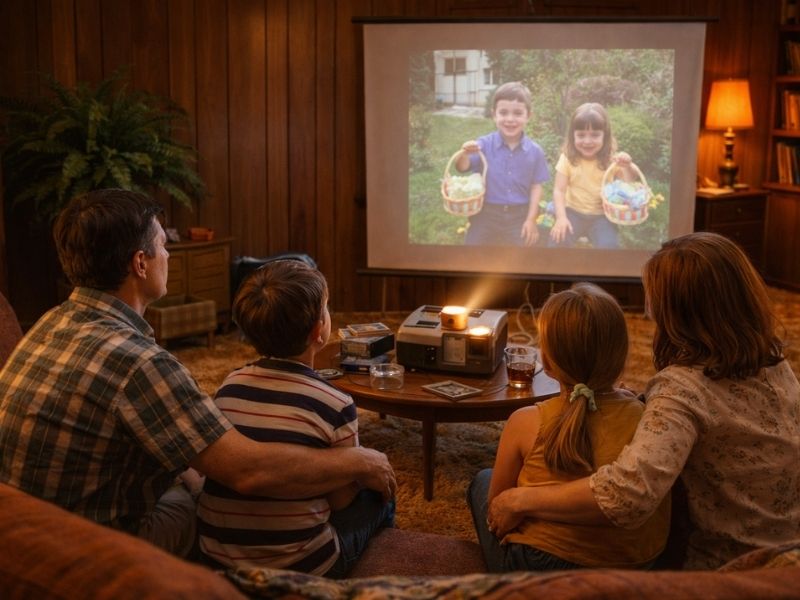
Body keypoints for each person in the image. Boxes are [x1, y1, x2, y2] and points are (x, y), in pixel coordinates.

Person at [0, 189, 396, 559]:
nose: (168, 257)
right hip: (85, 549)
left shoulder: (51, 321)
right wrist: (361, 461)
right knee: (201, 503)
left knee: (188, 475)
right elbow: (248, 471)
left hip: (21, 528)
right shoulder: (139, 363)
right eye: (163, 248)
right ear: (140, 263)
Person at [487, 232, 800, 570]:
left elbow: (626, 496)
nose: (649, 309)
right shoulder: (774, 361)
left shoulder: (681, 389)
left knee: (483, 486)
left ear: (680, 312)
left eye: (654, 299)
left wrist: (520, 500)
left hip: (731, 566)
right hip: (787, 550)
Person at [197, 260, 395, 577]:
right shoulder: (336, 402)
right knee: (382, 500)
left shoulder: (229, 386)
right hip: (300, 566)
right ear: (319, 330)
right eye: (327, 309)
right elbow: (342, 501)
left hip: (217, 554)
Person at [468, 283, 669, 572]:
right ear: (621, 355)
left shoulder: (525, 421)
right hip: (636, 565)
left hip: (542, 565)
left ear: (546, 362)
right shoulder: (648, 418)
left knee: (482, 481)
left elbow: (497, 508)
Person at [455, 81, 549, 247]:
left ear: (529, 116)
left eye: (518, 113)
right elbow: (462, 167)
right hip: (485, 214)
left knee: (523, 257)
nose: (510, 119)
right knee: (471, 251)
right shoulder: (483, 144)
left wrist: (530, 220)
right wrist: (464, 153)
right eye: (503, 113)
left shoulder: (535, 152)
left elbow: (536, 186)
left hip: (519, 214)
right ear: (494, 115)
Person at [548, 102, 634, 249]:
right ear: (572, 136)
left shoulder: (611, 160)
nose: (587, 141)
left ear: (605, 136)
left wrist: (627, 166)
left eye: (595, 135)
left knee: (609, 246)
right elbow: (559, 190)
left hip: (602, 216)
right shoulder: (568, 158)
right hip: (572, 212)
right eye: (581, 135)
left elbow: (628, 181)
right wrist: (561, 218)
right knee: (557, 241)